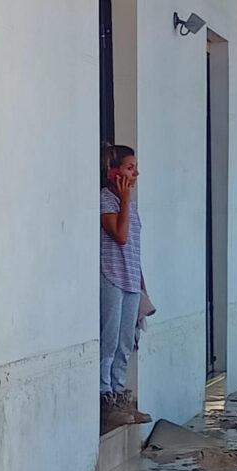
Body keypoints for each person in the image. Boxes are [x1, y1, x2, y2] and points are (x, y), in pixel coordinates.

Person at [100, 144, 151, 431]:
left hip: (131, 279)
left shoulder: (129, 206)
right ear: (114, 172)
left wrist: (143, 284)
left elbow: (134, 245)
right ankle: (104, 396)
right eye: (130, 168)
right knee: (109, 339)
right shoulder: (107, 200)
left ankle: (119, 396)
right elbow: (119, 236)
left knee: (125, 342)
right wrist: (124, 198)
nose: (136, 173)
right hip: (112, 276)